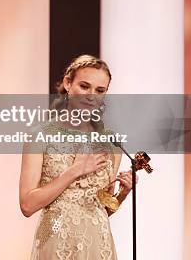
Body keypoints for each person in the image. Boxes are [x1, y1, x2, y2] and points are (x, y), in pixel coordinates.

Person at [19, 55, 137, 259]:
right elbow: (27, 205)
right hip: (55, 235)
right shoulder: (41, 135)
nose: (91, 96)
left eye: (100, 91)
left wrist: (122, 194)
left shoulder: (111, 142)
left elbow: (102, 207)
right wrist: (74, 171)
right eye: (84, 86)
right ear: (67, 83)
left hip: (98, 242)